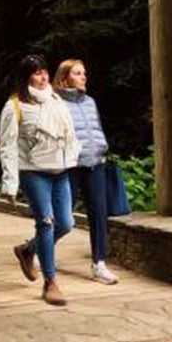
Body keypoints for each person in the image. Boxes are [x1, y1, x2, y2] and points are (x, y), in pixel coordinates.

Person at [0, 52, 79, 306]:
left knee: (65, 224)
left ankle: (28, 250)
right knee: (46, 223)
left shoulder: (56, 100)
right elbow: (7, 146)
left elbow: (70, 135)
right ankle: (50, 281)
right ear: (26, 77)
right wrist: (10, 184)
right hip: (34, 172)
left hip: (61, 171)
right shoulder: (15, 106)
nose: (43, 77)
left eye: (44, 71)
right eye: (36, 72)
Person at [56, 58, 119, 284]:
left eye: (84, 73)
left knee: (99, 214)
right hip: (71, 165)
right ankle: (35, 248)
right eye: (77, 73)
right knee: (63, 217)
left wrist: (103, 149)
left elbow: (97, 128)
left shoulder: (90, 101)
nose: (84, 76)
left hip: (95, 164)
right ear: (64, 78)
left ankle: (99, 264)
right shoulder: (56, 103)